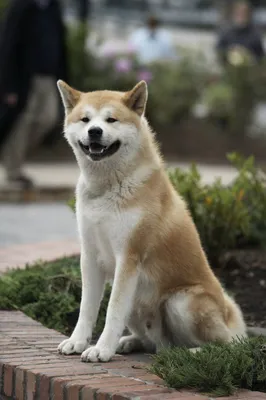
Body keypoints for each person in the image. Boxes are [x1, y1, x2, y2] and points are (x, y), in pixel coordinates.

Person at [0, 0, 68, 188]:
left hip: (49, 78)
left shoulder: (53, 8)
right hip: (24, 79)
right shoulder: (21, 7)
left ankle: (11, 156)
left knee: (48, 118)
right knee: (23, 121)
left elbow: (61, 46)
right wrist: (9, 86)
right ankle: (13, 170)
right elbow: (8, 46)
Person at [216, 1, 264, 65]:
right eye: (239, 13)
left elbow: (260, 55)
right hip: (229, 69)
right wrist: (230, 52)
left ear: (249, 15)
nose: (241, 16)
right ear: (234, 14)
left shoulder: (255, 34)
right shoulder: (226, 32)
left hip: (249, 70)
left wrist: (248, 56)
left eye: (244, 13)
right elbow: (219, 51)